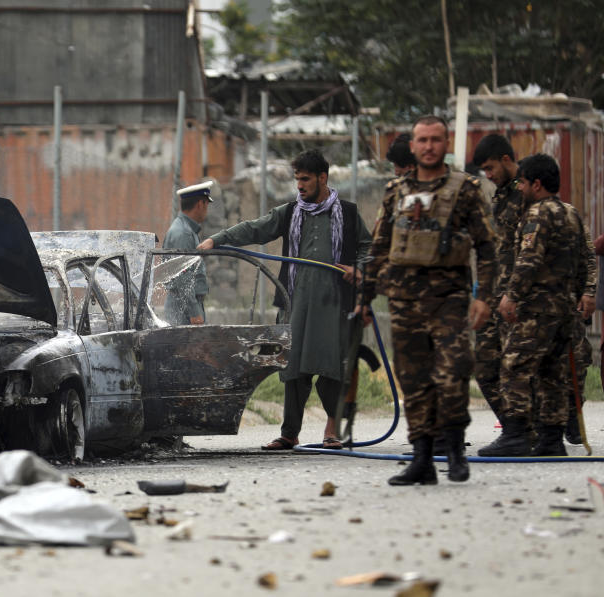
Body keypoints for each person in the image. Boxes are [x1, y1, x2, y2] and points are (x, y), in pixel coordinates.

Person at [199, 150, 371, 451]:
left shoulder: (348, 213)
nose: (300, 185)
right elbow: (255, 228)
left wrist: (360, 270)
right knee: (293, 369)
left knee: (333, 368)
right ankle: (290, 433)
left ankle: (333, 431)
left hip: (335, 305)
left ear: (322, 177)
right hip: (297, 303)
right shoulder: (291, 213)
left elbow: (369, 249)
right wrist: (217, 239)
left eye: (305, 179)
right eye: (297, 180)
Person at [358, 115, 495, 485]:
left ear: (445, 144)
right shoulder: (395, 190)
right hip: (403, 300)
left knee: (453, 372)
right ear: (414, 145)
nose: (429, 146)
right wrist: (364, 299)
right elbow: (379, 246)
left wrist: (484, 296)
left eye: (436, 140)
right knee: (414, 381)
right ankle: (422, 458)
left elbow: (486, 246)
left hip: (448, 299)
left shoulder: (465, 189)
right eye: (423, 140)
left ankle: (453, 450)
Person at [478, 154, 591, 457]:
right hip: (564, 309)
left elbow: (529, 260)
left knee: (514, 364)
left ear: (536, 184)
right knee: (551, 373)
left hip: (537, 309)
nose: (521, 188)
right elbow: (583, 262)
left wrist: (512, 295)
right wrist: (576, 295)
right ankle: (551, 440)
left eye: (524, 182)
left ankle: (515, 434)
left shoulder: (537, 214)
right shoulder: (570, 214)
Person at [470, 134, 525, 426]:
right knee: (484, 365)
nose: (488, 176)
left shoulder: (529, 192)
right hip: (494, 293)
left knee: (519, 367)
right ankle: (514, 428)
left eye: (491, 169)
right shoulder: (500, 195)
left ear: (506, 160)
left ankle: (531, 429)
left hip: (520, 295)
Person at [162, 181, 212, 325]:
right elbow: (183, 277)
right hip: (184, 308)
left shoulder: (187, 230)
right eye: (206, 205)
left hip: (184, 305)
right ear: (200, 205)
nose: (206, 210)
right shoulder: (183, 233)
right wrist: (194, 312)